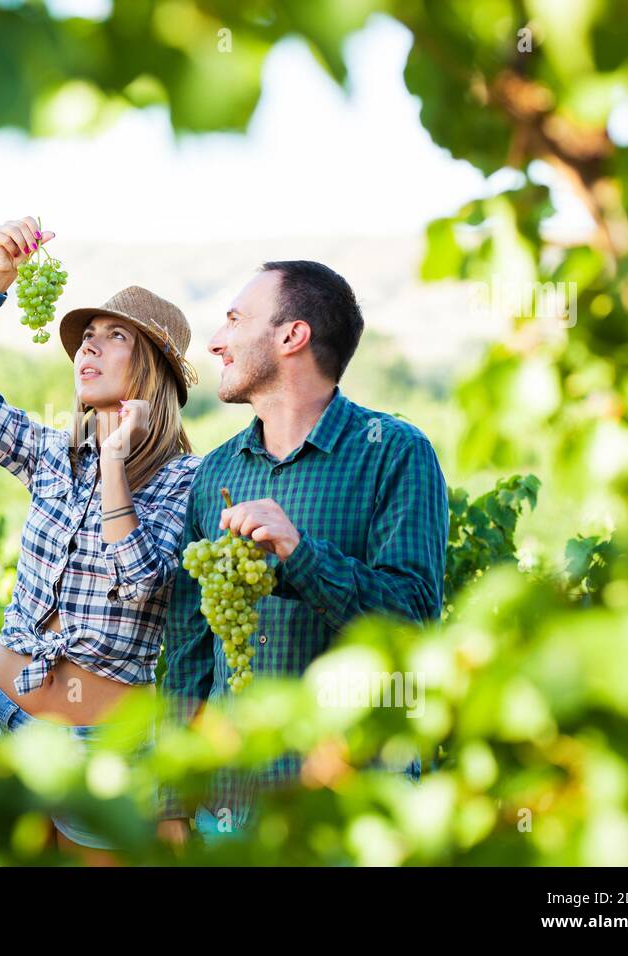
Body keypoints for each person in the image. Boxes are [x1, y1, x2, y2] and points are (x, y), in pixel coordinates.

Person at [0, 216, 200, 862]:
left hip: (100, 751)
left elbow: (141, 584)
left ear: (154, 367)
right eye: (86, 338)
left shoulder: (190, 481)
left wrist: (111, 467)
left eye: (114, 337)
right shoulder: (50, 454)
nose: (88, 349)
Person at [159, 260, 448, 846]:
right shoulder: (215, 470)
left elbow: (414, 622)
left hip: (352, 823)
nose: (215, 341)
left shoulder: (394, 453)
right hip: (228, 819)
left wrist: (298, 554)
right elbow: (189, 649)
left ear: (292, 336)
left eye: (235, 319)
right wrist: (170, 804)